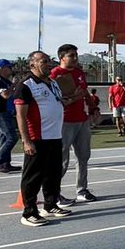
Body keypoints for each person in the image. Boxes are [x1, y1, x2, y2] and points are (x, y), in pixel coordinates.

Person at [14, 51, 72, 226]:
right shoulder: (26, 85)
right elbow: (20, 116)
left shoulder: (53, 83)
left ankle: (50, 204)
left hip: (55, 136)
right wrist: (26, 141)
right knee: (33, 176)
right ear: (32, 64)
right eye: (43, 61)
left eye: (49, 61)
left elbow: (58, 102)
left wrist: (76, 95)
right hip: (37, 137)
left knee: (53, 174)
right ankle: (29, 212)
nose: (48, 64)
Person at [51, 44, 98, 206]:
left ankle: (82, 190)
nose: (75, 58)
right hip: (64, 121)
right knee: (62, 160)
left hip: (82, 120)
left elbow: (84, 92)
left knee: (83, 156)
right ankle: (54, 193)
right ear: (62, 58)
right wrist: (74, 97)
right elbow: (57, 99)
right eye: (71, 55)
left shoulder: (79, 73)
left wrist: (93, 108)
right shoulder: (55, 75)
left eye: (76, 55)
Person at [0, 59, 20, 173]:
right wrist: (14, 85)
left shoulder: (5, 81)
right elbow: (5, 95)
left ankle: (5, 162)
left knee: (5, 137)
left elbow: (13, 93)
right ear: (1, 69)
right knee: (12, 137)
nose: (11, 69)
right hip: (0, 112)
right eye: (9, 67)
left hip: (7, 112)